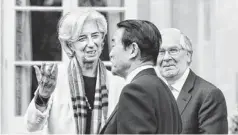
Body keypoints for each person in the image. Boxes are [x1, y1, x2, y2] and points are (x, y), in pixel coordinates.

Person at [24, 9, 125, 134]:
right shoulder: (56, 78)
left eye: (95, 36)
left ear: (102, 40)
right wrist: (43, 96)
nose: (91, 43)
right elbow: (32, 126)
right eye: (82, 38)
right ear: (70, 45)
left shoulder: (117, 84)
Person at [99, 20, 182, 134]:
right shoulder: (164, 90)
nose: (110, 54)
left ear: (133, 50)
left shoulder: (135, 91)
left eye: (114, 45)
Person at [156, 28, 228, 134]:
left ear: (188, 56)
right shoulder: (152, 93)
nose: (166, 58)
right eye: (161, 52)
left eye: (173, 50)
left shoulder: (209, 95)